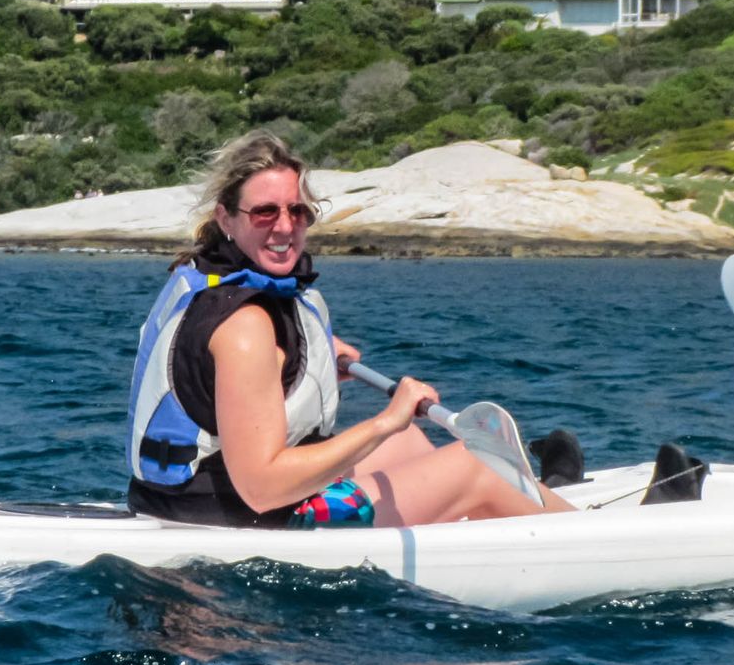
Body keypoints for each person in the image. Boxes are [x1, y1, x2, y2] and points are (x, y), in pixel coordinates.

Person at [125, 130, 583, 529]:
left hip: (186, 498)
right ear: (226, 218)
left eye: (298, 211)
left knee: (410, 442)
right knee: (474, 464)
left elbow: (215, 366)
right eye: (264, 212)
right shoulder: (245, 328)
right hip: (249, 517)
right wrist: (386, 421)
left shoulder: (205, 274)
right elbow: (263, 489)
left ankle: (530, 501)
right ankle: (587, 532)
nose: (285, 226)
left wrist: (312, 357)